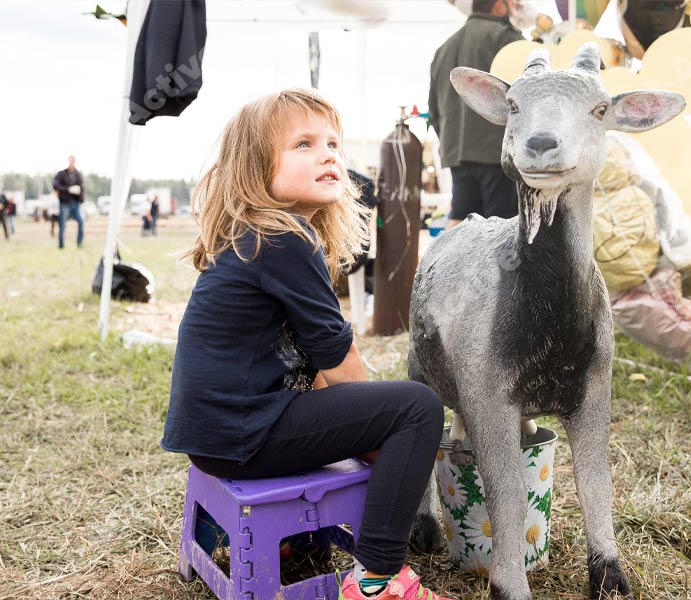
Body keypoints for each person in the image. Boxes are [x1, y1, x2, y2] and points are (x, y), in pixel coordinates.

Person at [161, 89, 451, 600]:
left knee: (374, 412)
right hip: (245, 435)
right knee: (416, 407)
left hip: (221, 436)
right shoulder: (281, 237)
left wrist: (357, 423)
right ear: (254, 168)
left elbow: (313, 360)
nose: (329, 155)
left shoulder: (256, 235)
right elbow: (339, 362)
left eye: (333, 144)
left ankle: (297, 542)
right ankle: (378, 580)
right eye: (304, 143)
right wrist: (375, 431)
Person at [428, 0, 523, 229]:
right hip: (497, 154)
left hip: (457, 154)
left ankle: (446, 266)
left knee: (462, 224)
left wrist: (450, 144)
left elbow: (433, 109)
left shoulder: (444, 48)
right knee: (501, 230)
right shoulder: (508, 40)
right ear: (499, 5)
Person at [51, 155, 85, 248]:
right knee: (62, 224)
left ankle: (79, 243)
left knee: (81, 221)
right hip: (65, 203)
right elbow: (55, 185)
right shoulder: (62, 174)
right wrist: (68, 189)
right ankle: (61, 245)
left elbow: (82, 188)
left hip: (75, 203)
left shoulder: (78, 174)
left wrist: (81, 197)